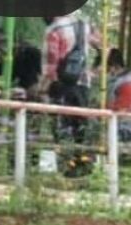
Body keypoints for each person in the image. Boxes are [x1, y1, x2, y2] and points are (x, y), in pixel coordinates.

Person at [42, 13, 97, 146]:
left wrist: (42, 88)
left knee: (62, 132)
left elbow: (51, 66)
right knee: (81, 130)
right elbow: (105, 48)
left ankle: (64, 163)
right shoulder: (85, 26)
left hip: (61, 86)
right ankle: (81, 163)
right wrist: (93, 71)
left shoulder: (54, 30)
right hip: (83, 86)